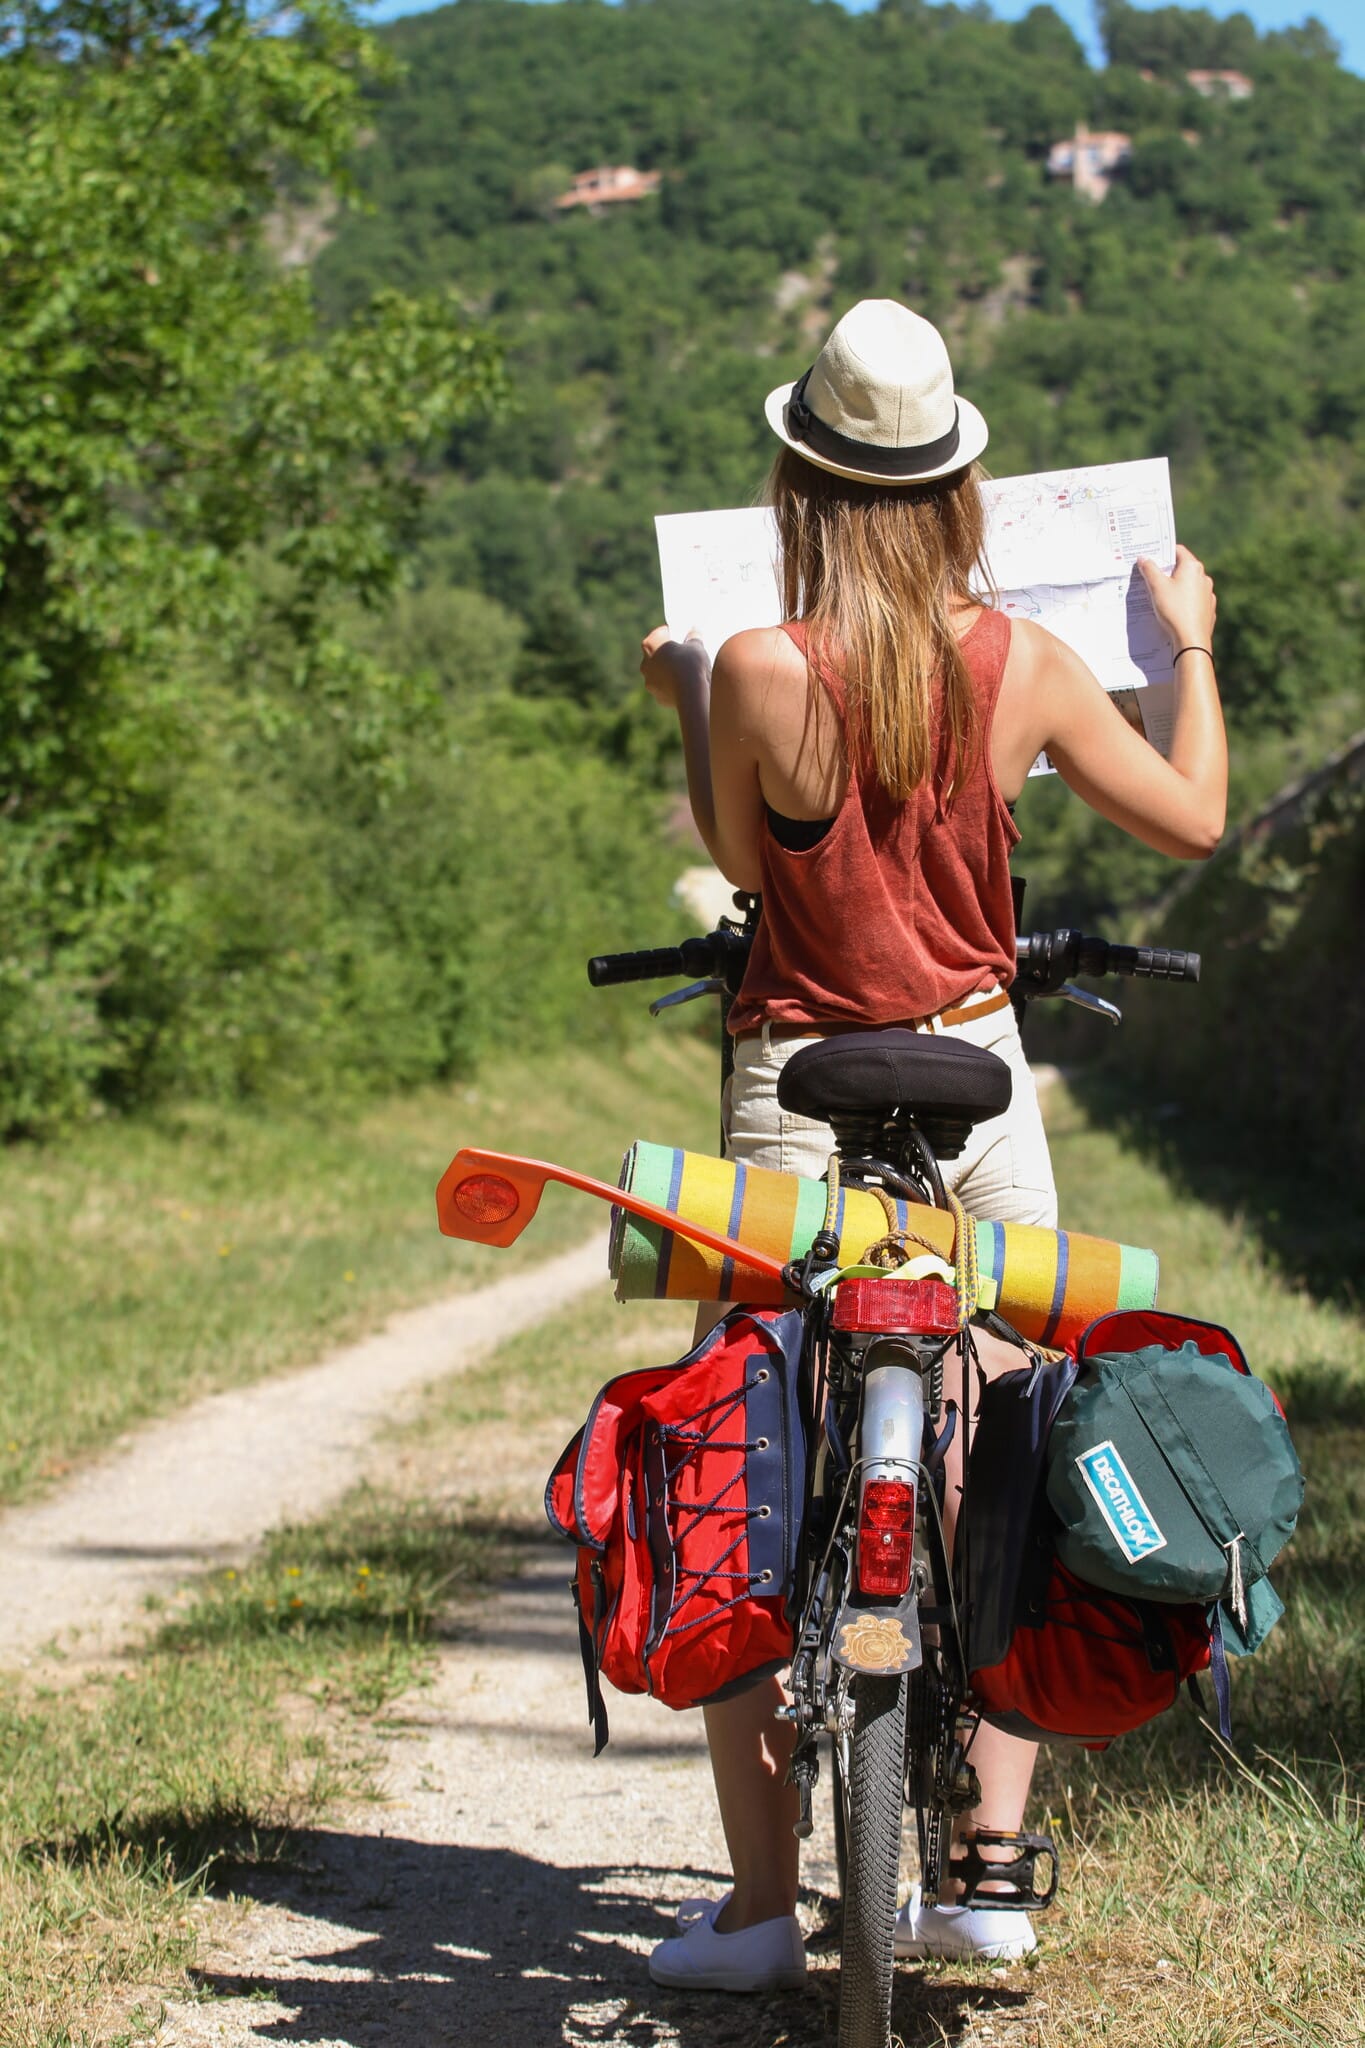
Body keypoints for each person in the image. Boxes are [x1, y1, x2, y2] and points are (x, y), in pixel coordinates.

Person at [637, 298, 1226, 1993]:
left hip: (795, 1085)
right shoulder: (1027, 666)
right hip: (976, 1075)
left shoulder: (757, 664)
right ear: (958, 486)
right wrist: (1181, 641)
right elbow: (1189, 817)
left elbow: (741, 854)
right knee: (1021, 1431)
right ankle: (987, 1871)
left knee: (740, 1451)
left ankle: (757, 1915)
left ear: (797, 489)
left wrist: (687, 691)